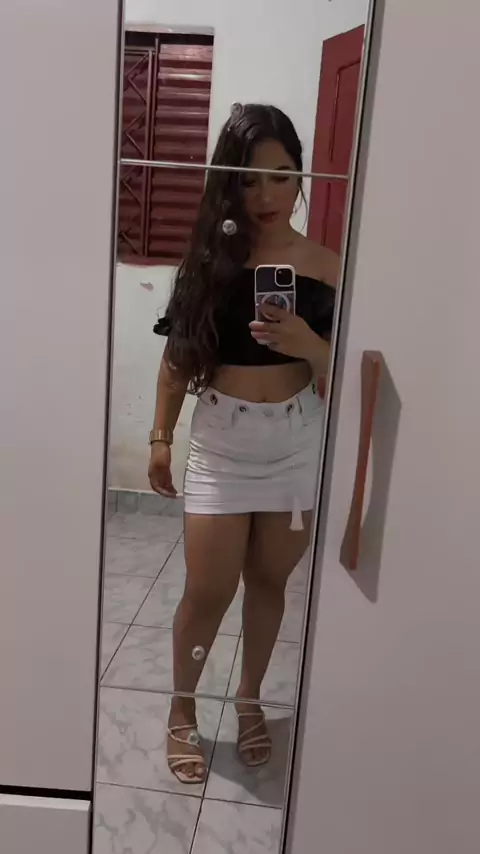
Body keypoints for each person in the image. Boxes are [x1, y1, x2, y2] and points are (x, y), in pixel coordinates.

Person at [148, 103, 338, 784]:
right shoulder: (210, 263)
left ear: (301, 177)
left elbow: (347, 376)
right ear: (228, 184)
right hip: (222, 446)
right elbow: (177, 359)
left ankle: (249, 698)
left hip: (295, 442)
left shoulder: (329, 268)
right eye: (248, 180)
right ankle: (181, 708)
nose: (265, 195)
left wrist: (311, 344)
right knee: (208, 590)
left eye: (281, 176)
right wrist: (160, 437)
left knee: (268, 581)